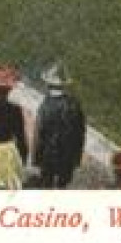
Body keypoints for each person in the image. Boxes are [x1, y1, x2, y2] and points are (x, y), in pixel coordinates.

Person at [32, 61, 87, 189]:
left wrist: (36, 159)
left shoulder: (45, 107)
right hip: (67, 156)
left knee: (47, 185)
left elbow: (39, 134)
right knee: (62, 187)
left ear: (48, 85)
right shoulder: (74, 105)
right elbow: (80, 134)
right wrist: (77, 157)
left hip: (48, 155)